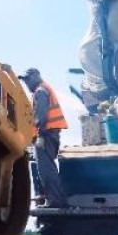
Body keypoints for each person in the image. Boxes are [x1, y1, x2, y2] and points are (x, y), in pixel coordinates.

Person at [18, 68, 69, 207]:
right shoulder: (43, 90)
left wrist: (39, 136)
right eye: (25, 81)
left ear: (36, 76)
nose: (26, 83)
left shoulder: (40, 91)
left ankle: (55, 201)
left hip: (45, 135)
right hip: (49, 135)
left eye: (28, 79)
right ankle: (52, 199)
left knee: (46, 170)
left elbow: (41, 116)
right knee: (45, 168)